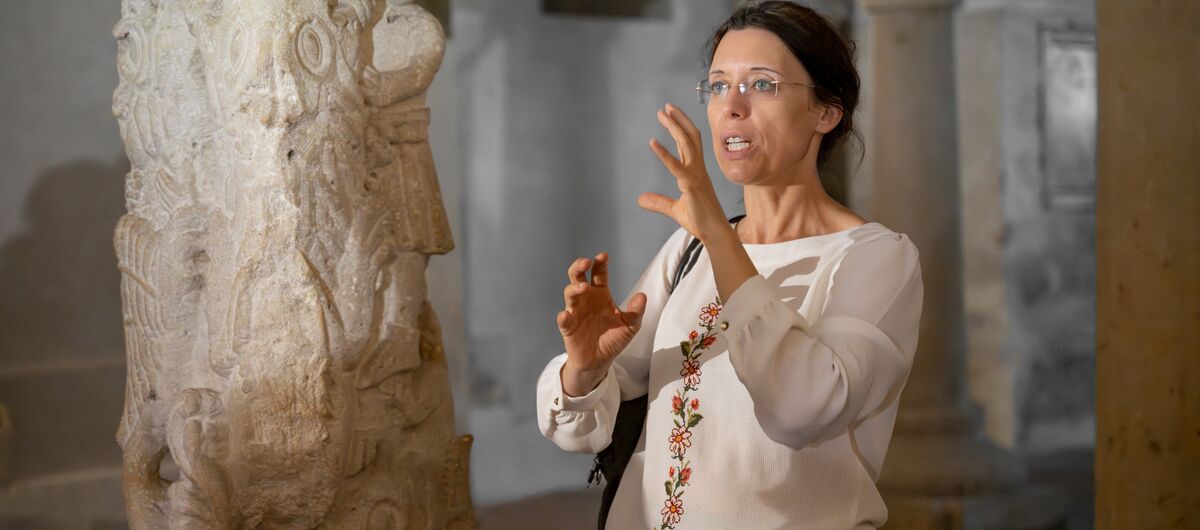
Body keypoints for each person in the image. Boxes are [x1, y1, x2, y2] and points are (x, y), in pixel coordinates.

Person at [535, 2, 923, 528]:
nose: (731, 107)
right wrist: (584, 368)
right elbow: (584, 430)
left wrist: (716, 228)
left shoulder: (875, 257)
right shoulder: (686, 250)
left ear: (826, 112)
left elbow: (800, 408)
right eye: (718, 85)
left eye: (762, 85)